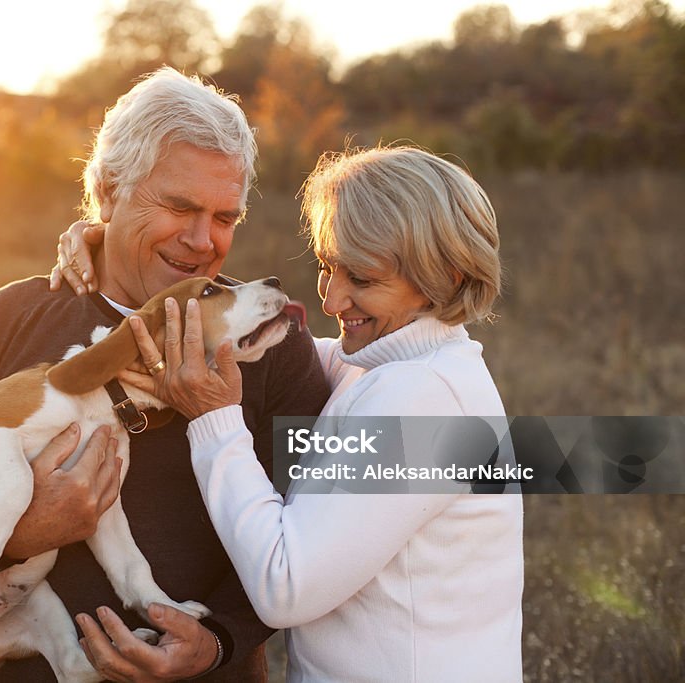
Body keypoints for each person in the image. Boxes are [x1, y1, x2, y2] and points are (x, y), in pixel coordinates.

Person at [0, 67, 329, 681]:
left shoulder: (269, 341)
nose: (204, 240)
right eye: (178, 206)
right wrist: (18, 527)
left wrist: (222, 638)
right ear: (106, 192)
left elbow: (327, 514)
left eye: (226, 217)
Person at [56, 145, 524, 681]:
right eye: (328, 267)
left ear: (443, 275)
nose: (332, 300)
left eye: (363, 280)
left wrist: (215, 417)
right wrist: (112, 241)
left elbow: (284, 587)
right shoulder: (384, 364)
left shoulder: (425, 401)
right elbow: (282, 345)